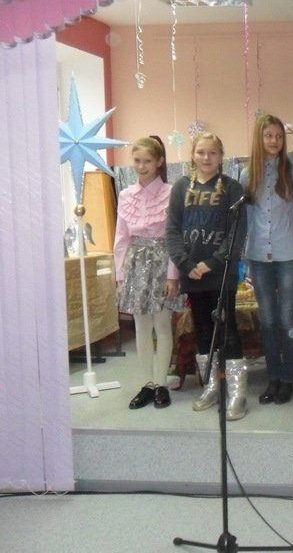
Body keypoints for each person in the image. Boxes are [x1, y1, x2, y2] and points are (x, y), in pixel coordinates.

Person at [166, 132, 247, 419]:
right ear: (193, 155)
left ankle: (237, 393)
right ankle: (212, 386)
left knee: (227, 330)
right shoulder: (180, 188)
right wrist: (186, 264)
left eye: (212, 152)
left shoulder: (233, 189)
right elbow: (172, 230)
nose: (206, 157)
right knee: (201, 330)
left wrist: (212, 262)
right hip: (192, 275)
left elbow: (237, 233)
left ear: (221, 156)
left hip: (221, 274)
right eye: (201, 152)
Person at [239, 115, 293, 406]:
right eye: (269, 135)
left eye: (279, 136)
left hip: (289, 253)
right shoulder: (247, 175)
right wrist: (242, 257)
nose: (274, 141)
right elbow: (246, 218)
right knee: (267, 320)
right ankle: (274, 377)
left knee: (286, 319)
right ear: (260, 138)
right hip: (258, 255)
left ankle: (288, 378)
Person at [115, 136, 182, 410]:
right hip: (135, 264)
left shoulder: (171, 193)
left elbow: (175, 236)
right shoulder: (125, 195)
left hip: (162, 262)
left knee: (162, 324)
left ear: (159, 162)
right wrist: (120, 277)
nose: (141, 166)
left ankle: (162, 383)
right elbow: (121, 239)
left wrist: (172, 275)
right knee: (141, 325)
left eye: (147, 161)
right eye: (137, 161)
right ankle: (147, 384)